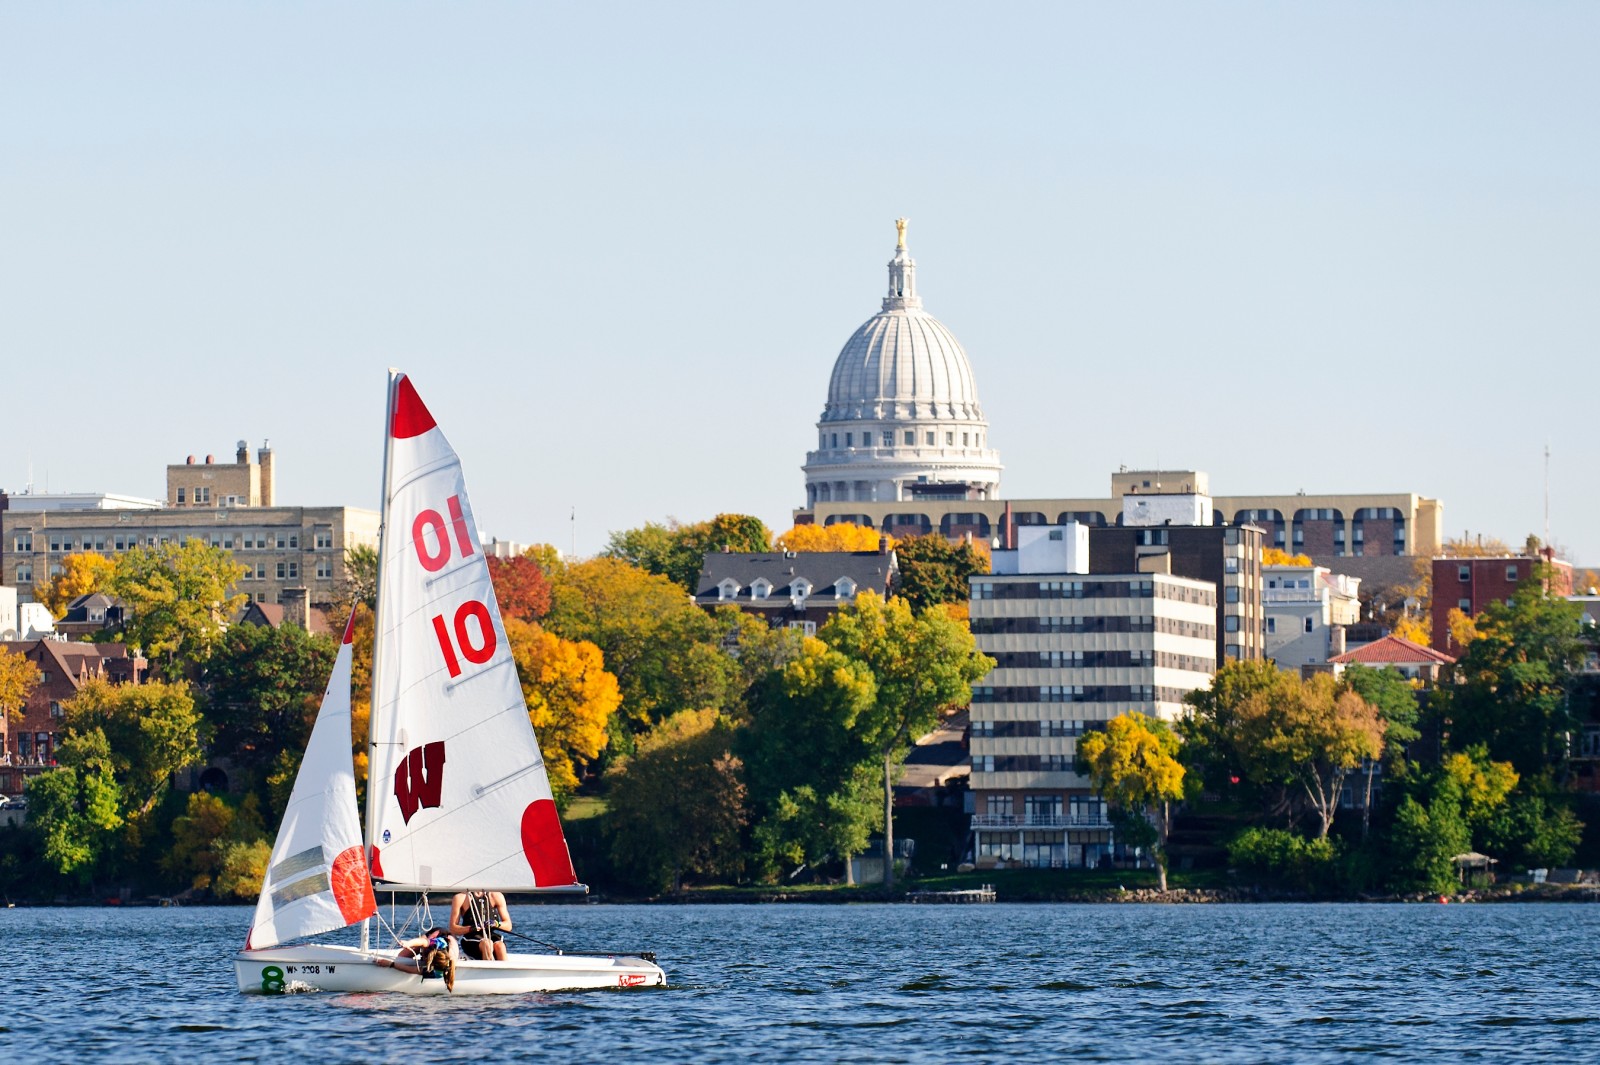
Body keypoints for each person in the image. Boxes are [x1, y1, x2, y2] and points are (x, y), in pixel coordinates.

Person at [373, 927, 458, 990]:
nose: (422, 957)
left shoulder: (438, 973)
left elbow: (412, 970)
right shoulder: (441, 943)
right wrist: (408, 943)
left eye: (423, 957)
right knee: (404, 956)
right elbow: (423, 942)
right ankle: (420, 947)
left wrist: (391, 964)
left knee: (401, 959)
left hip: (443, 948)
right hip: (440, 933)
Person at [449, 889, 511, 961]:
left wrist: (496, 924)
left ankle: (503, 970)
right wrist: (472, 928)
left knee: (500, 946)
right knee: (487, 944)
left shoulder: (497, 896)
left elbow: (508, 926)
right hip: (470, 939)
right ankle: (487, 970)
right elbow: (453, 928)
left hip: (490, 935)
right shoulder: (460, 898)